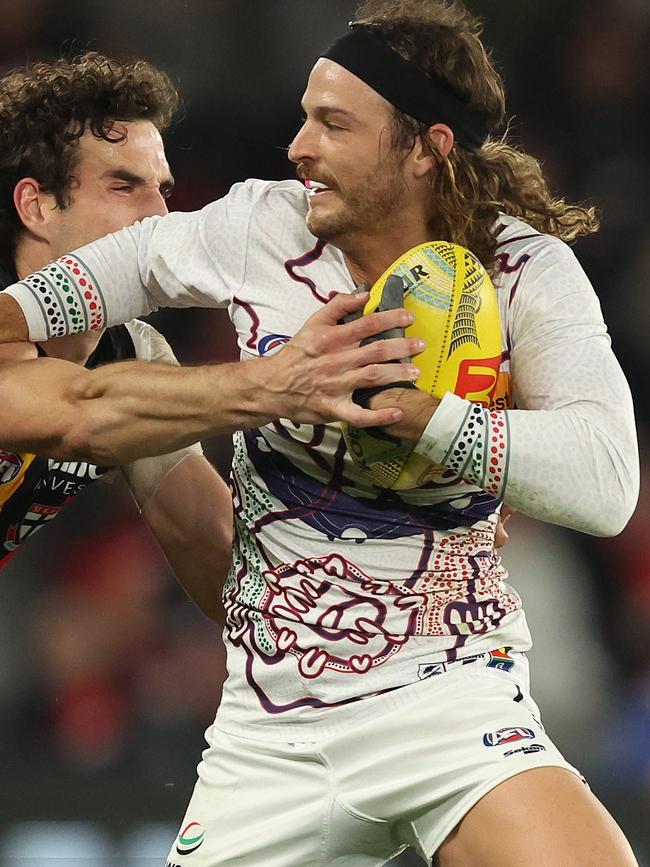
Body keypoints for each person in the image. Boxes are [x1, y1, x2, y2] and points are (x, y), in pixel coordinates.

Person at [0, 2, 640, 866]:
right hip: (273, 746)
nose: (297, 145)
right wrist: (271, 386)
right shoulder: (254, 228)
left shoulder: (523, 271)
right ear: (31, 206)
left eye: (332, 123)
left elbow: (606, 484)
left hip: (448, 700)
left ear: (427, 146)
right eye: (304, 115)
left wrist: (435, 425)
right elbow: (53, 373)